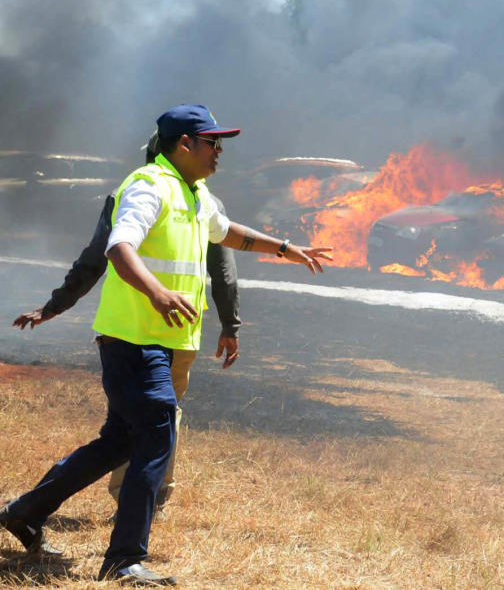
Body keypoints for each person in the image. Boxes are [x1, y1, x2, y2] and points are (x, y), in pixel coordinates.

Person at [0, 104, 331, 586]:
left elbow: (227, 233)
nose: (220, 151)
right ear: (185, 144)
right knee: (157, 433)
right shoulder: (148, 186)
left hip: (159, 341)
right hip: (134, 339)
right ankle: (124, 560)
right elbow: (118, 247)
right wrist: (156, 292)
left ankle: (25, 512)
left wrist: (284, 248)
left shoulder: (195, 193)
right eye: (213, 142)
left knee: (120, 442)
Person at [12, 134, 243, 514]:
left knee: (139, 423)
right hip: (167, 334)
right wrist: (231, 325)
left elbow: (93, 259)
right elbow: (224, 273)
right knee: (156, 419)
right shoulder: (191, 197)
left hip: (138, 334)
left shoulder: (146, 193)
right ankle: (144, 504)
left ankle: (117, 503)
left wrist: (56, 305)